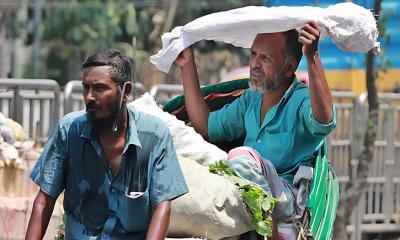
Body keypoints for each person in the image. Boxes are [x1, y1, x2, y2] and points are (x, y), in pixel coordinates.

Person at [175, 21, 336, 235]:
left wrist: (312, 56)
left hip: (285, 199)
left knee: (240, 157)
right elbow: (205, 127)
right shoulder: (251, 99)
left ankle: (271, 233)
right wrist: (187, 65)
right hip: (247, 193)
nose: (254, 64)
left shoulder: (301, 99)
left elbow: (324, 121)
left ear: (290, 67)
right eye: (253, 54)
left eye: (265, 58)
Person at [26, 49, 188, 239]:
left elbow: (161, 207)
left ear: (126, 91)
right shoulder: (68, 131)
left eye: (100, 88)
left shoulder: (154, 136)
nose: (89, 97)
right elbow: (43, 202)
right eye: (85, 88)